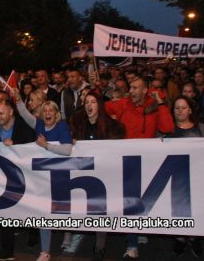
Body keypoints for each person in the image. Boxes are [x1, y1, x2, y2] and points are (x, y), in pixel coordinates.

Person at [105, 78, 174, 258]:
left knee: (145, 201)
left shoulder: (154, 107)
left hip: (148, 162)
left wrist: (161, 104)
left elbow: (168, 127)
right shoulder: (123, 104)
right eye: (131, 88)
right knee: (130, 202)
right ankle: (132, 244)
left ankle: (140, 230)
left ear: (145, 91)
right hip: (126, 162)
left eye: (136, 88)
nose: (132, 91)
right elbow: (100, 108)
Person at [14, 90, 72, 261]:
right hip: (42, 177)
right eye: (45, 111)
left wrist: (46, 146)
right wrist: (18, 101)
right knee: (43, 212)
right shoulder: (38, 125)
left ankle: (68, 235)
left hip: (60, 175)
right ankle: (45, 251)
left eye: (51, 111)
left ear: (56, 114)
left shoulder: (62, 126)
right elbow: (25, 114)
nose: (47, 113)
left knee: (63, 210)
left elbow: (67, 149)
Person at [70, 92, 125, 261]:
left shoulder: (113, 126)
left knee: (100, 211)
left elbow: (118, 146)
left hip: (106, 175)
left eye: (93, 102)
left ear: (99, 105)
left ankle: (99, 247)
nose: (89, 105)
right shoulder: (80, 126)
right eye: (86, 102)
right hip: (87, 174)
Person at [0, 99, 36, 261]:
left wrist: (16, 145)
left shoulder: (24, 127)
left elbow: (33, 147)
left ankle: (33, 232)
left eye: (1, 113)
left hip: (25, 176)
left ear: (11, 112)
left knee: (30, 208)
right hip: (4, 177)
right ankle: (6, 250)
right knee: (4, 210)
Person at [167, 95, 203, 257]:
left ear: (190, 110)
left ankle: (195, 237)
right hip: (176, 179)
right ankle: (180, 237)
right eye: (177, 107)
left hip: (197, 177)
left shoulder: (201, 128)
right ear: (173, 111)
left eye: (183, 107)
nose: (180, 110)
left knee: (197, 208)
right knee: (179, 209)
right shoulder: (167, 131)